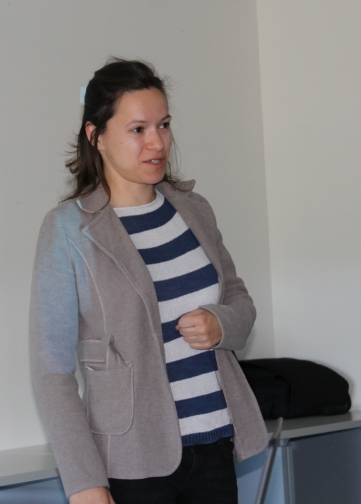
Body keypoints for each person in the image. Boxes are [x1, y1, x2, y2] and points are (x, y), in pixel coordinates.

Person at [29, 58, 267, 504]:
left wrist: (220, 323)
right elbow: (51, 371)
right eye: (138, 129)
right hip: (133, 460)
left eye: (164, 125)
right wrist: (84, 483)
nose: (157, 142)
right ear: (96, 136)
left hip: (215, 441)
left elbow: (239, 300)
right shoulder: (68, 230)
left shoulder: (193, 209)